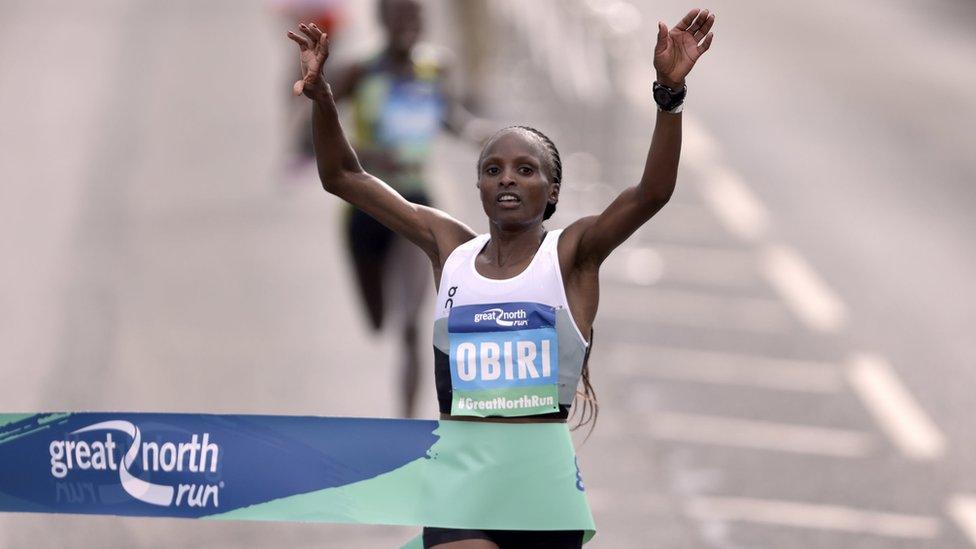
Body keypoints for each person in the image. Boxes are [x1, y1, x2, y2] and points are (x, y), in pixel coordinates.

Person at [287, 6, 715, 548]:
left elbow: (652, 193)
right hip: (462, 487)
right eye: (493, 170)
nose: (507, 179)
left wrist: (668, 96)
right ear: (480, 188)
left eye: (525, 170)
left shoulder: (572, 256)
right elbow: (344, 176)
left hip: (541, 496)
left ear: (552, 192)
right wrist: (324, 97)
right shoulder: (451, 250)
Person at [324, 0, 489, 418]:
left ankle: (406, 423)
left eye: (415, 18)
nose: (409, 27)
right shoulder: (359, 71)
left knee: (412, 322)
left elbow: (448, 114)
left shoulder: (435, 69)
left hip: (417, 204)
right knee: (378, 319)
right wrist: (342, 151)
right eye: (399, 18)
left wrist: (480, 135)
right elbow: (317, 113)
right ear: (381, 21)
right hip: (367, 206)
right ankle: (381, 310)